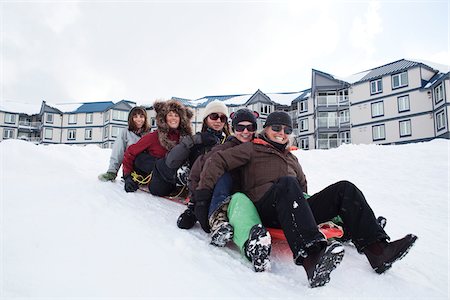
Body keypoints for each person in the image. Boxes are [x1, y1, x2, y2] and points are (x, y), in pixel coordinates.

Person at [194, 111, 417, 288]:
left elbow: (303, 188)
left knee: (344, 189)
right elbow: (218, 161)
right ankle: (311, 259)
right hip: (265, 208)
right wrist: (203, 196)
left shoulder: (292, 158)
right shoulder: (251, 149)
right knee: (287, 184)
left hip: (290, 205)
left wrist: (312, 210)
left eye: (286, 129)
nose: (281, 132)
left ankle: (378, 251)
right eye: (276, 128)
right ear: (266, 130)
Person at [176, 108, 259, 244]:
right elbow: (199, 166)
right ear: (233, 129)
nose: (245, 132)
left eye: (250, 127)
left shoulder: (260, 147)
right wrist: (197, 200)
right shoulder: (225, 147)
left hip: (249, 193)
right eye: (240, 127)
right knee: (224, 175)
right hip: (226, 194)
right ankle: (217, 221)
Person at [147, 100, 231, 197]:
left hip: (191, 180)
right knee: (157, 188)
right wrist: (195, 140)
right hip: (164, 172)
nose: (218, 121)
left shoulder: (228, 141)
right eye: (214, 116)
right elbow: (171, 161)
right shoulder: (196, 140)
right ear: (206, 119)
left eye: (223, 118)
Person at [121, 99, 193, 193]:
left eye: (176, 115)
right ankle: (178, 176)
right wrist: (127, 176)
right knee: (144, 159)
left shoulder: (185, 139)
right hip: (156, 174)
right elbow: (130, 152)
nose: (173, 118)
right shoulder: (154, 137)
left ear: (181, 119)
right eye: (170, 115)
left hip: (173, 177)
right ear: (164, 118)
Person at [98, 106, 150, 182]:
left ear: (145, 118)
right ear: (130, 119)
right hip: (131, 169)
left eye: (141, 116)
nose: (139, 119)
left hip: (148, 168)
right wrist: (112, 171)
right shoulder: (125, 133)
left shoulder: (150, 133)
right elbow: (118, 152)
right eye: (135, 116)